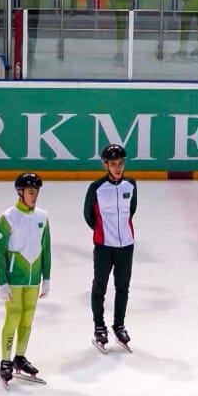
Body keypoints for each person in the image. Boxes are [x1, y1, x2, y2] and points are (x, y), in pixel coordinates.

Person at [0, 172, 52, 385]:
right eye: (30, 192)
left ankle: (20, 357)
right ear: (20, 193)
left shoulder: (42, 217)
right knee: (13, 318)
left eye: (36, 192)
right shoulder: (8, 217)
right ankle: (5, 361)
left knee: (27, 319)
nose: (34, 196)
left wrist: (46, 278)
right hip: (14, 279)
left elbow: (46, 249)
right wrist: (2, 282)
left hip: (33, 279)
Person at [83, 143, 137, 350]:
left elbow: (131, 210)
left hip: (126, 245)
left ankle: (119, 325)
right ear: (105, 165)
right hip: (104, 245)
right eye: (113, 164)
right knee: (100, 287)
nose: (118, 168)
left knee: (123, 287)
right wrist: (103, 231)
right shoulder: (96, 188)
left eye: (121, 163)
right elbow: (88, 216)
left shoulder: (131, 185)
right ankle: (99, 326)